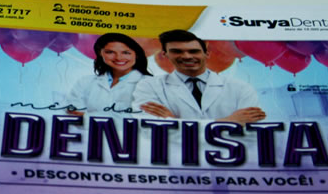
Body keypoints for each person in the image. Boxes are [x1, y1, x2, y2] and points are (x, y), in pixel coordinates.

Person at [134, 29, 265, 124]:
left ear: (207, 52)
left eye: (194, 51)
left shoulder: (240, 88)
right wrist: (229, 122)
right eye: (177, 51)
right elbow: (151, 129)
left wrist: (174, 122)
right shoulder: (148, 87)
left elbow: (253, 132)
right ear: (165, 54)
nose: (187, 56)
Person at [68, 33, 151, 115]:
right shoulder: (85, 82)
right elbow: (72, 113)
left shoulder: (150, 84)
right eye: (110, 52)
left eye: (126, 53)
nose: (118, 58)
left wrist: (87, 116)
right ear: (100, 53)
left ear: (136, 55)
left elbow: (147, 118)